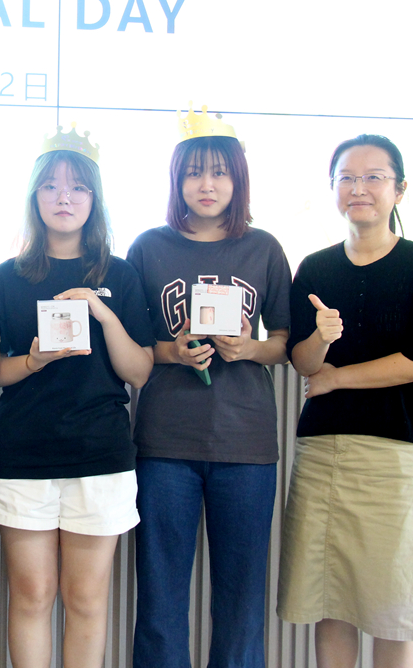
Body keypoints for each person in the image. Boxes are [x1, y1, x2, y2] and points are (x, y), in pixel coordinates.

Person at [277, 134, 413, 668]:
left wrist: (338, 379)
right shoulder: (314, 267)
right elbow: (302, 362)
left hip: (393, 454)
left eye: (374, 177)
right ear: (333, 189)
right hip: (322, 454)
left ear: (400, 189)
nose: (359, 188)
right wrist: (321, 339)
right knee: (331, 602)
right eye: (347, 178)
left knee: (395, 603)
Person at [0, 128, 154, 668]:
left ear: (94, 198)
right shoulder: (6, 277)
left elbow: (140, 371)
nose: (64, 197)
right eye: (51, 186)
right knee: (32, 595)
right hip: (22, 455)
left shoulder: (119, 274)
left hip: (100, 454)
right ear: (34, 196)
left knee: (85, 598)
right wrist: (33, 360)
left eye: (78, 187)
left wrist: (103, 314)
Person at [127, 108, 292, 668]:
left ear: (238, 179)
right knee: (160, 597)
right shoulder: (148, 247)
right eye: (194, 172)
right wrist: (172, 352)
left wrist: (249, 348)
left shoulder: (263, 247)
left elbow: (284, 344)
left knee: (242, 600)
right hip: (165, 443)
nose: (207, 184)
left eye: (220, 172)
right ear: (177, 180)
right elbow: (132, 347)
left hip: (246, 444)